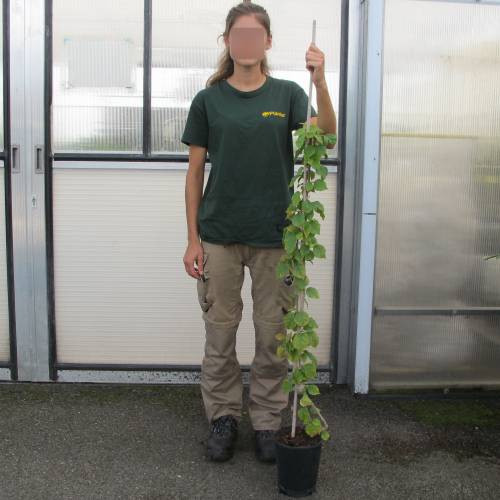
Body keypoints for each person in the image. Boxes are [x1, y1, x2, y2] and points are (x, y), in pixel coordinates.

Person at [181, 2, 337, 463]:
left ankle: (268, 420)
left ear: (267, 42)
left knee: (273, 334)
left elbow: (325, 133)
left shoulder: (288, 93)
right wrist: (192, 239)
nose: (246, 42)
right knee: (220, 332)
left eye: (255, 35)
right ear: (228, 42)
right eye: (238, 35)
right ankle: (224, 416)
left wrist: (322, 79)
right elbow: (193, 175)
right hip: (219, 235)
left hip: (277, 237)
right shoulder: (208, 101)